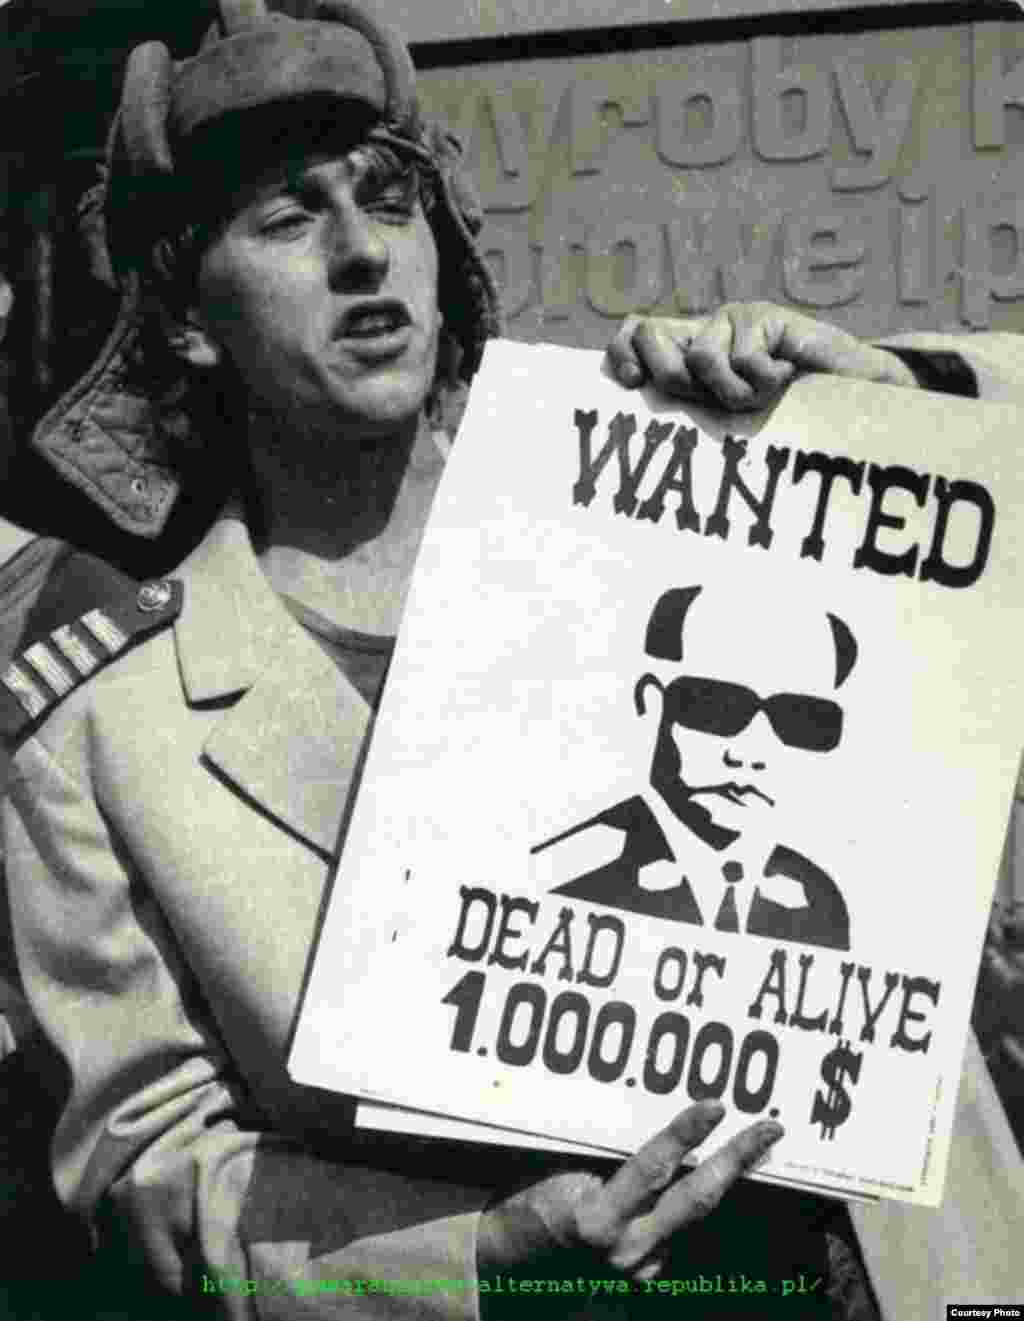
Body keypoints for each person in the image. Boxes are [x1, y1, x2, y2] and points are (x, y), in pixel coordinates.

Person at [0, 3, 1017, 1318]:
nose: (364, 253)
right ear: (189, 319)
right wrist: (476, 1249)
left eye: (390, 200)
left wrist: (881, 403)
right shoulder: (100, 728)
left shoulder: (683, 489)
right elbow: (150, 1172)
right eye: (289, 220)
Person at [533, 583, 854, 949]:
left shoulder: (818, 900)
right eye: (716, 708)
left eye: (799, 721)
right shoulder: (567, 871)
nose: (749, 754)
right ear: (652, 705)